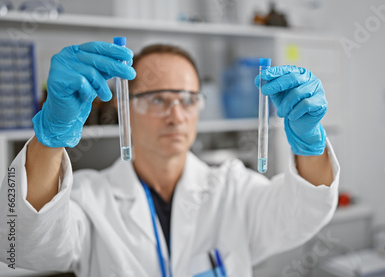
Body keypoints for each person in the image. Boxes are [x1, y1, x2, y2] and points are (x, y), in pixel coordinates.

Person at [0, 41, 340, 277]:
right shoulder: (90, 199)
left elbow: (301, 215)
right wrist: (51, 137)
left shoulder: (234, 188)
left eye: (188, 99)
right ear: (122, 104)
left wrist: (309, 145)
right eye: (157, 99)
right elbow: (18, 243)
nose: (176, 115)